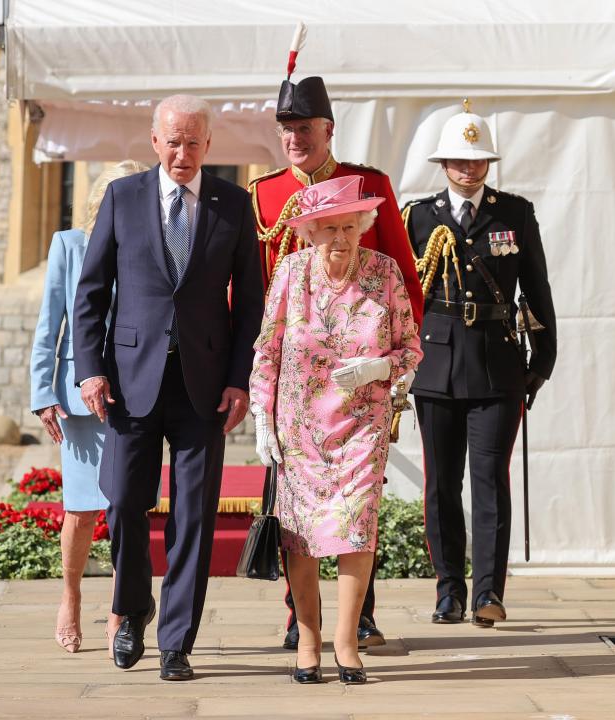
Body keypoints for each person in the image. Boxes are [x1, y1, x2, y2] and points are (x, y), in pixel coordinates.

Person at [72, 94, 263, 680]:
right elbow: (92, 291)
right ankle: (131, 610)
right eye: (172, 141)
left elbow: (250, 302)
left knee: (195, 516)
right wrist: (90, 369)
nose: (182, 153)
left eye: (193, 142)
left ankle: (178, 641)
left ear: (209, 144)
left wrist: (239, 380)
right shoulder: (123, 199)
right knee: (126, 502)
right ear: (154, 142)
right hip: (130, 384)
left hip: (204, 387)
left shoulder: (234, 204)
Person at [248, 69, 423, 650]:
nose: (294, 138)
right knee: (295, 516)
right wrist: (259, 399)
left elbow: (403, 272)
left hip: (361, 377)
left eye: (304, 127)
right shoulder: (265, 191)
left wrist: (393, 368)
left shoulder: (366, 183)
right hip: (297, 377)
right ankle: (301, 620)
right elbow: (254, 292)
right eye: (286, 128)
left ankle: (357, 619)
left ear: (328, 128)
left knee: (357, 510)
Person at [404, 102, 556, 627]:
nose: (469, 170)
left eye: (478, 161)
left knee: (490, 479)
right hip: (436, 363)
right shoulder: (419, 217)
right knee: (441, 483)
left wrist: (543, 358)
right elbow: (406, 293)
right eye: (459, 161)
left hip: (496, 362)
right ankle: (448, 589)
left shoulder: (514, 213)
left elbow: (536, 286)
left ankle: (488, 592)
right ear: (443, 164)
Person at [31, 160, 148, 654]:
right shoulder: (69, 245)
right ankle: (71, 595)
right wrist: (44, 394)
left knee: (127, 508)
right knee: (81, 511)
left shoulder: (151, 247)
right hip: (80, 397)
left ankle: (123, 608)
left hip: (140, 393)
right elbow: (50, 322)